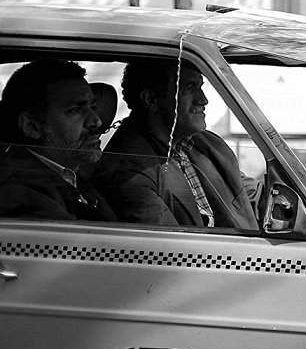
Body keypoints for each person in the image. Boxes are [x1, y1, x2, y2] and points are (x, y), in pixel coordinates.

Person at [96, 61, 261, 229]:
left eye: (200, 86)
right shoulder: (126, 169)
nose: (203, 100)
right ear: (151, 99)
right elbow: (169, 242)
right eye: (190, 87)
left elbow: (243, 192)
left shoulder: (203, 142)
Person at [0, 59, 117, 222]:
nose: (96, 121)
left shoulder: (69, 172)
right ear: (32, 127)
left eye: (92, 106)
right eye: (75, 110)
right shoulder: (20, 192)